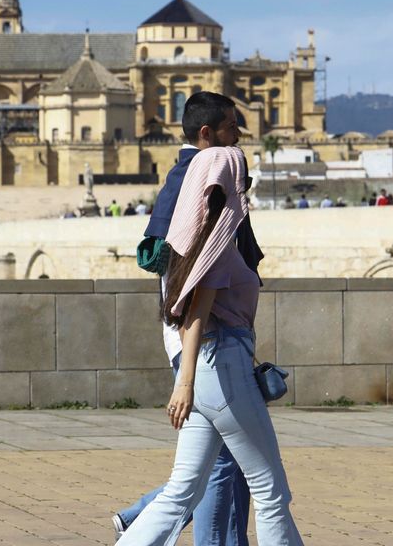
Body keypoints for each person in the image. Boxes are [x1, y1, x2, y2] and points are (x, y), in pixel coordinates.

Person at [117, 144, 303, 545]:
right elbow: (196, 313)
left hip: (206, 375)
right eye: (244, 183)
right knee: (271, 491)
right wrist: (184, 384)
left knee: (180, 493)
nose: (247, 192)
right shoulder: (218, 246)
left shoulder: (193, 243)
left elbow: (186, 316)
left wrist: (188, 381)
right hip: (224, 370)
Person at [116, 92, 257, 545]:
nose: (238, 138)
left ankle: (137, 517)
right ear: (206, 134)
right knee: (228, 467)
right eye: (232, 128)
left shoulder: (189, 175)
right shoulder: (198, 178)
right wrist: (187, 374)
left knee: (215, 464)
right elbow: (198, 276)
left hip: (201, 340)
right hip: (204, 340)